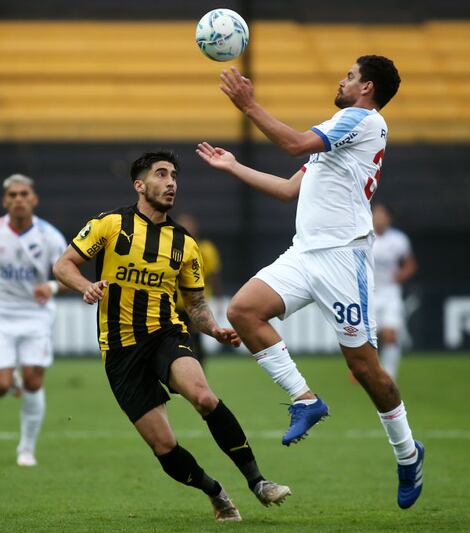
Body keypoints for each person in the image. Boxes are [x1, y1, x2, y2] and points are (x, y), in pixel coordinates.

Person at [196, 55, 424, 509]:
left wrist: (249, 106)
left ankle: (407, 452)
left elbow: (295, 144)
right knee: (243, 311)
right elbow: (287, 188)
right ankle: (305, 399)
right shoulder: (339, 132)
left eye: (351, 76)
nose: (343, 80)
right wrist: (234, 166)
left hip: (343, 256)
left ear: (367, 87)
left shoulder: (360, 120)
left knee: (365, 368)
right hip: (304, 252)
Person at [53, 150, 290, 522]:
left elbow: (195, 306)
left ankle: (258, 481)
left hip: (166, 334)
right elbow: (63, 264)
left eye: (174, 176)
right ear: (139, 184)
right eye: (161, 174)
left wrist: (213, 328)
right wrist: (85, 286)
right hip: (119, 349)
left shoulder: (185, 243)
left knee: (204, 396)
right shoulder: (109, 224)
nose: (171, 182)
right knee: (164, 446)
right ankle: (214, 491)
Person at [0, 174, 68, 467]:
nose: (18, 199)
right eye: (13, 195)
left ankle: (26, 449)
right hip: (0, 317)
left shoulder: (50, 237)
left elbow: (70, 275)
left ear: (34, 199)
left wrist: (52, 287)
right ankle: (11, 380)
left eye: (24, 194)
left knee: (34, 382)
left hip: (36, 317)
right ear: (5, 200)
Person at [372, 202, 417, 379]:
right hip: (369, 292)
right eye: (375, 213)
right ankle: (368, 371)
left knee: (390, 335)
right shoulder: (363, 237)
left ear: (389, 218)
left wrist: (400, 276)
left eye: (381, 214)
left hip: (390, 293)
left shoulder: (398, 240)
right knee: (368, 338)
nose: (378, 217)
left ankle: (389, 376)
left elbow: (410, 265)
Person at [175, 213, 223, 365]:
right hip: (174, 303)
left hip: (196, 302)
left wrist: (219, 299)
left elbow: (213, 275)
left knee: (195, 338)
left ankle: (198, 371)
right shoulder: (171, 248)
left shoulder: (206, 249)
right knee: (176, 339)